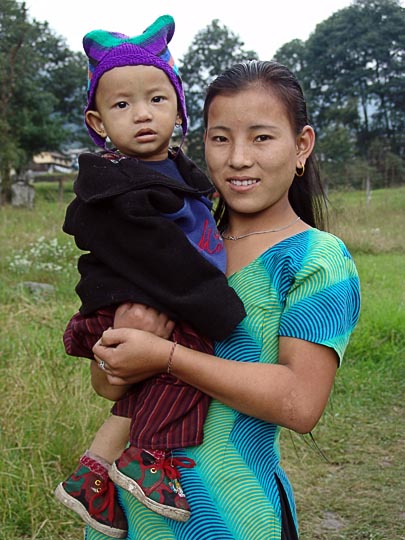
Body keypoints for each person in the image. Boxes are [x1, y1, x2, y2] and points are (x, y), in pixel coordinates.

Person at [84, 59, 361, 540]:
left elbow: (299, 403)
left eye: (261, 137)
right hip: (129, 514)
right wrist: (121, 345)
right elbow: (108, 386)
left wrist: (167, 356)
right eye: (220, 138)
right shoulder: (175, 243)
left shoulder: (316, 259)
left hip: (232, 515)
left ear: (302, 146)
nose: (237, 158)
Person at [54, 14, 246, 539]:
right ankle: (148, 457)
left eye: (157, 100)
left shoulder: (177, 173)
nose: (142, 114)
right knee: (187, 366)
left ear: (179, 109)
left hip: (150, 302)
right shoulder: (114, 182)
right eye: (122, 104)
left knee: (148, 384)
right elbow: (160, 256)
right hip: (131, 303)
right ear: (98, 123)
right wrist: (217, 306)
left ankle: (93, 472)